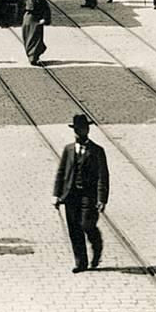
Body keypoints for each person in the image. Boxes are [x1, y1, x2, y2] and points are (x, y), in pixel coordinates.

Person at [52, 114, 108, 273]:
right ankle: (81, 263)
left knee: (86, 224)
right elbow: (61, 172)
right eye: (76, 130)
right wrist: (56, 195)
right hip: (70, 195)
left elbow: (103, 176)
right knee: (74, 229)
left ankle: (97, 246)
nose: (78, 133)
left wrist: (102, 199)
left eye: (81, 129)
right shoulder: (68, 149)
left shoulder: (97, 151)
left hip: (89, 196)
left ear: (87, 130)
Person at [20, 0, 52, 65]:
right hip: (27, 19)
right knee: (28, 39)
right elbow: (20, 8)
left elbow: (46, 8)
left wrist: (45, 19)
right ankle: (31, 56)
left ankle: (33, 57)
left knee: (36, 39)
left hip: (36, 19)